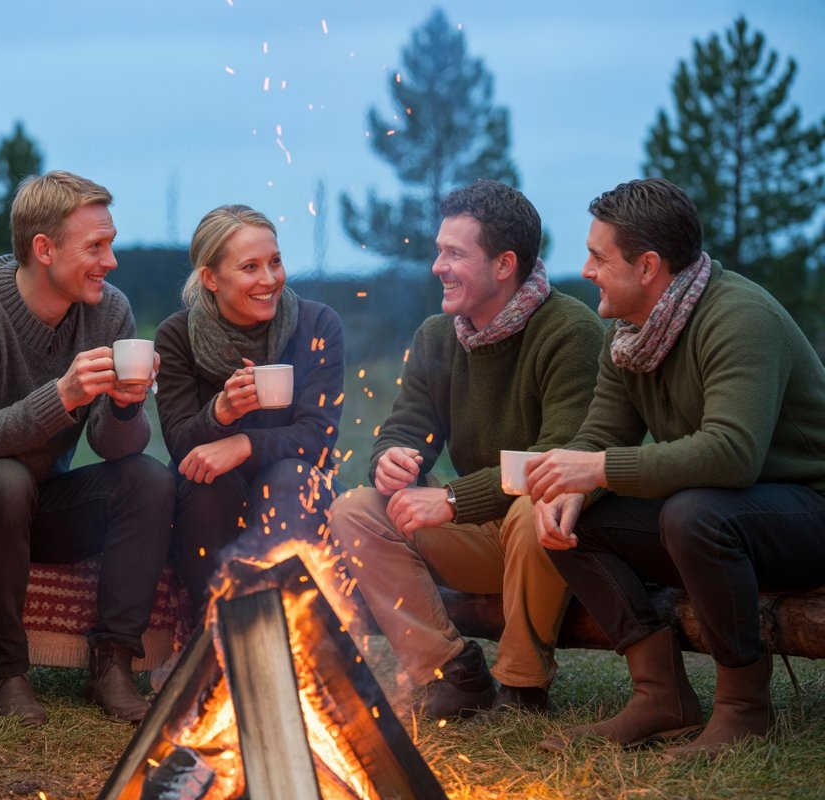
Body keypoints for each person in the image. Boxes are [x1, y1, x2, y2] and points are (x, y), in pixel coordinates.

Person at [528, 178, 825, 756]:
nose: (586, 271)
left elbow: (731, 454)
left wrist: (596, 470)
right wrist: (570, 491)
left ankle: (743, 709)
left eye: (598, 257)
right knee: (572, 519)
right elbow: (602, 434)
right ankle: (659, 695)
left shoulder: (739, 318)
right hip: (729, 514)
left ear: (647, 266)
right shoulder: (628, 336)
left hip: (807, 511)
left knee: (694, 514)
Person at [329, 179, 605, 719]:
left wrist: (453, 499)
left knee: (537, 502)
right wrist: (392, 459)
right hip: (481, 534)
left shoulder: (571, 331)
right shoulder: (438, 336)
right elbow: (406, 426)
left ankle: (524, 687)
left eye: (455, 254)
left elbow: (559, 460)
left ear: (504, 265)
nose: (439, 267)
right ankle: (452, 672)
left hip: (560, 540)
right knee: (355, 511)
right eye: (439, 252)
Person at [0, 170, 174, 725]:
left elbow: (112, 447)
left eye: (110, 244)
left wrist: (126, 406)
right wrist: (61, 396)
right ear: (44, 249)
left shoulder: (108, 310)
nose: (111, 261)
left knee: (149, 477)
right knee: (6, 479)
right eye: (96, 247)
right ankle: (4, 673)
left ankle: (113, 663)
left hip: (46, 502)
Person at [154, 204, 343, 621]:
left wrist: (243, 444)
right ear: (210, 278)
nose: (270, 279)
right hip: (209, 499)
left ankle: (294, 629)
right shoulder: (177, 336)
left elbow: (318, 438)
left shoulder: (316, 325)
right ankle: (215, 631)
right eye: (250, 267)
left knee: (291, 477)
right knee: (208, 481)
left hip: (293, 486)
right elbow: (181, 445)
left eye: (275, 261)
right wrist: (219, 414)